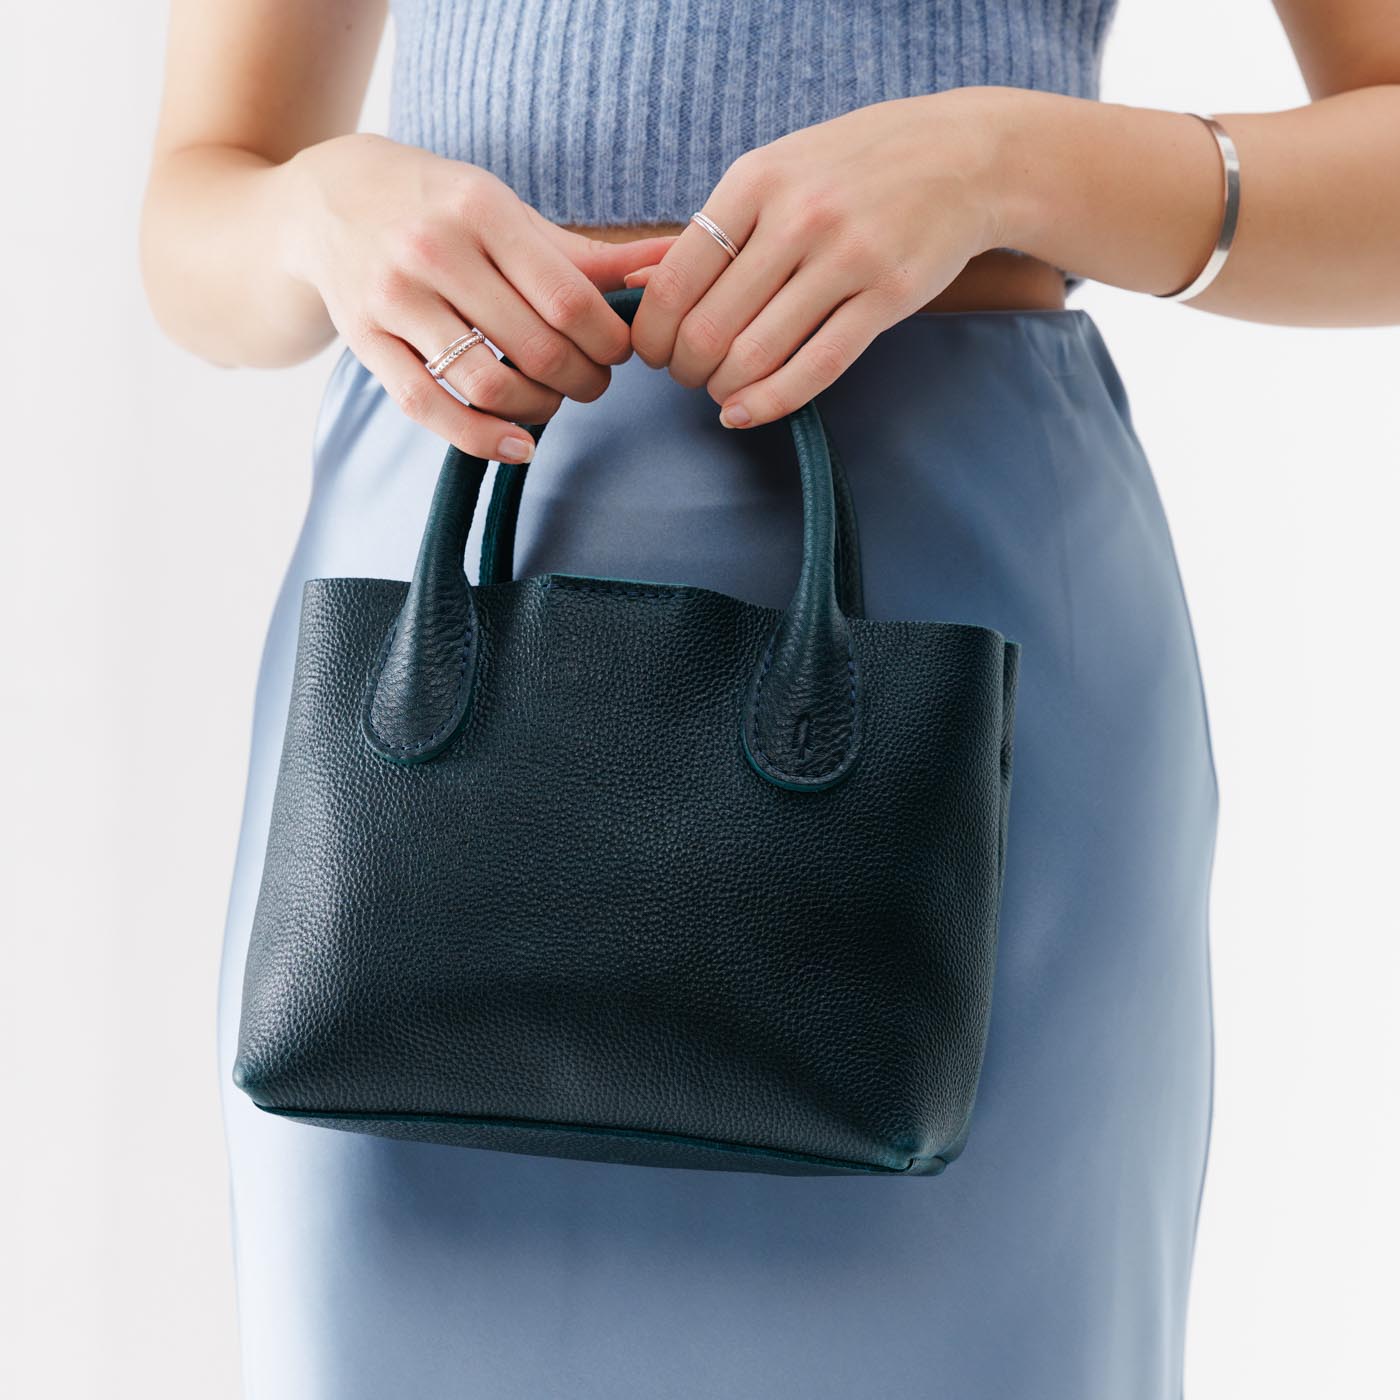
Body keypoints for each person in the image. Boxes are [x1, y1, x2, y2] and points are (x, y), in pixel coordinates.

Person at [139, 2, 1400, 1395]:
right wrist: (315, 212)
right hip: (441, 658)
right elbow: (198, 212)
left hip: (955, 618)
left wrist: (1006, 162)